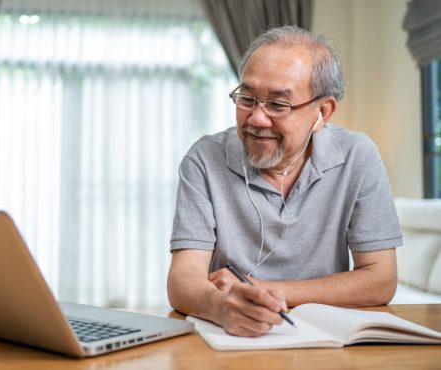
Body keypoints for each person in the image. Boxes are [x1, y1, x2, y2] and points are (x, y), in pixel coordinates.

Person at [167, 25, 402, 338]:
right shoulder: (204, 159)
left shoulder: (358, 156)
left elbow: (381, 280)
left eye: (278, 105)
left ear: (322, 112)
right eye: (247, 98)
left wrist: (259, 289)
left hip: (324, 338)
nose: (256, 119)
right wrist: (220, 306)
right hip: (231, 338)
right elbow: (183, 279)